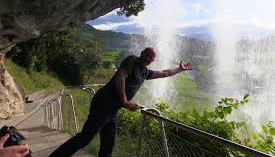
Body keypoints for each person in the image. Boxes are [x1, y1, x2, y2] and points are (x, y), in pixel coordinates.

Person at [50, 47, 192, 157]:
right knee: (84, 139)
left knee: (108, 143)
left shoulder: (145, 72)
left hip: (112, 110)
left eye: (151, 58)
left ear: (152, 61)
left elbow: (164, 73)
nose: (148, 58)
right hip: (104, 104)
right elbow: (120, 77)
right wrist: (125, 101)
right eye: (147, 55)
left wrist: (179, 69)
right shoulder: (132, 60)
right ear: (142, 53)